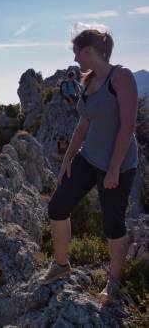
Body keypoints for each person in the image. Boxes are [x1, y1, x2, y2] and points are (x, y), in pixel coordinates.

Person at [40, 28, 139, 303]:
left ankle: (115, 281)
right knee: (57, 207)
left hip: (118, 164)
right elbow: (83, 124)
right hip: (88, 158)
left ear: (89, 51)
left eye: (76, 52)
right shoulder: (88, 81)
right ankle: (61, 264)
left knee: (112, 224)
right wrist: (68, 159)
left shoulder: (122, 77)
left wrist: (114, 168)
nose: (75, 57)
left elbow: (128, 127)